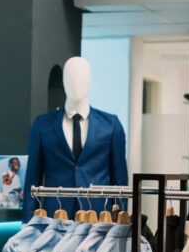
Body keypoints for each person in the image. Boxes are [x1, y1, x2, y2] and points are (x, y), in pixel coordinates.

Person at [22, 57, 128, 222]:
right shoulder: (42, 126)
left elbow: (120, 182)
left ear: (90, 80)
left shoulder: (111, 125)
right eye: (70, 77)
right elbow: (32, 180)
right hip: (55, 217)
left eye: (81, 77)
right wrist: (28, 225)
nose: (75, 83)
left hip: (99, 217)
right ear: (63, 80)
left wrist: (120, 223)